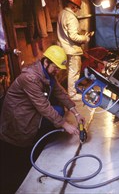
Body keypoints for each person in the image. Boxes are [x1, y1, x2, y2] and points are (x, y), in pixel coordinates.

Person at [0, 45, 85, 194]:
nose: (58, 71)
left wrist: (76, 113)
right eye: (56, 68)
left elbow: (60, 93)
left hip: (29, 109)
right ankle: (28, 154)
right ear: (46, 62)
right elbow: (43, 107)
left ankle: (40, 142)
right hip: (19, 116)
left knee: (59, 110)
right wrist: (65, 124)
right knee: (21, 150)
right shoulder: (30, 77)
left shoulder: (47, 73)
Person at [57, 0, 92, 101]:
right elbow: (73, 36)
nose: (77, 10)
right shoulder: (71, 17)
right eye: (77, 8)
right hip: (72, 49)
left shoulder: (62, 13)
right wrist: (85, 38)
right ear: (74, 6)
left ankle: (71, 90)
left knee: (70, 71)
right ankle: (72, 94)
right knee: (74, 72)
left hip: (64, 48)